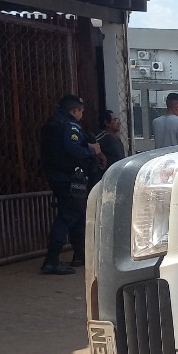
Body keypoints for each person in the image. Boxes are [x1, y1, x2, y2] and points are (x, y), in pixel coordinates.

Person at [39, 94, 102, 275]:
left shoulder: (51, 125)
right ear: (75, 110)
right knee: (68, 215)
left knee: (76, 214)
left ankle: (79, 255)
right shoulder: (70, 126)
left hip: (56, 174)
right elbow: (73, 149)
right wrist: (92, 150)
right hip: (69, 177)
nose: (82, 115)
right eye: (81, 111)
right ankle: (51, 261)